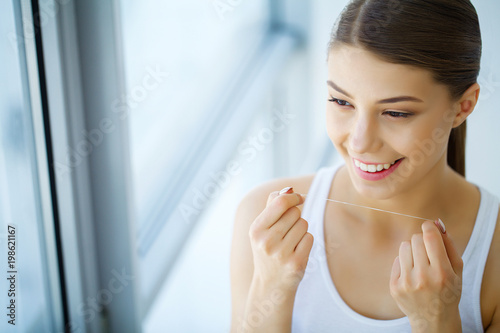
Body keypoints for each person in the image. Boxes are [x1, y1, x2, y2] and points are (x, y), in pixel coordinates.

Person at [230, 0, 500, 332]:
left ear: (463, 106)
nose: (359, 142)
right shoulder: (262, 222)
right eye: (342, 102)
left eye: (396, 113)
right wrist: (270, 292)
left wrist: (437, 321)